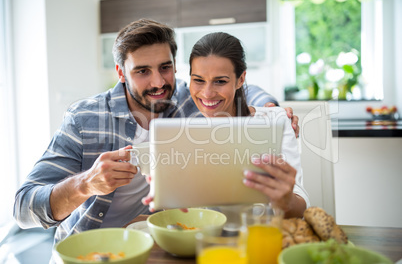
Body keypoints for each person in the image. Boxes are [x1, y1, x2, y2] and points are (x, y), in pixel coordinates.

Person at [13, 19, 300, 245]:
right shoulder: (84, 118)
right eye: (142, 71)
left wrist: (270, 107)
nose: (158, 82)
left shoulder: (190, 100)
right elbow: (24, 209)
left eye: (165, 68)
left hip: (163, 244)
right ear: (121, 72)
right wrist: (87, 184)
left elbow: (229, 84)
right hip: (91, 249)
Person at [144, 32, 309, 217]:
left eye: (220, 81)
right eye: (198, 80)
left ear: (240, 79)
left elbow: (300, 207)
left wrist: (285, 201)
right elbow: (185, 215)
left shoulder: (274, 121)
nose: (207, 93)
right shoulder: (178, 130)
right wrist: (168, 197)